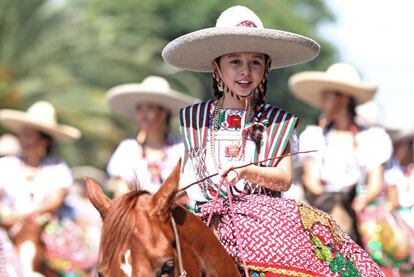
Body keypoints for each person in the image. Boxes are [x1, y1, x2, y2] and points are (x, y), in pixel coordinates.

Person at [163, 5, 383, 276]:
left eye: (255, 62)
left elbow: (284, 179)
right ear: (216, 67)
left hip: (261, 220)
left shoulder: (277, 121)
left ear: (266, 67)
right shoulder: (194, 118)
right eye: (235, 62)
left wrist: (247, 171)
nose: (246, 71)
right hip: (199, 218)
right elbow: (184, 176)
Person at [289, 63, 393, 247]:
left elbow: (375, 184)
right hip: (323, 204)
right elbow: (310, 179)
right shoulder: (314, 136)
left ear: (343, 98)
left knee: (384, 247)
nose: (322, 101)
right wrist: (329, 205)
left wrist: (359, 204)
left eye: (327, 96)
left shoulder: (372, 137)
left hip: (358, 205)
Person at [0, 101, 81, 275]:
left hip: (44, 226)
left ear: (44, 141)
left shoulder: (57, 167)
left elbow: (56, 201)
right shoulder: (6, 165)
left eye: (29, 135)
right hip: (8, 226)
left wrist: (29, 216)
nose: (24, 140)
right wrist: (7, 217)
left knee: (73, 263)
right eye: (23, 134)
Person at [106, 75, 198, 198]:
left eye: (150, 108)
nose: (143, 114)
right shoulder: (128, 148)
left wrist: (161, 202)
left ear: (164, 112)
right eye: (140, 108)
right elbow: (121, 189)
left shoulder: (181, 148)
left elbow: (186, 183)